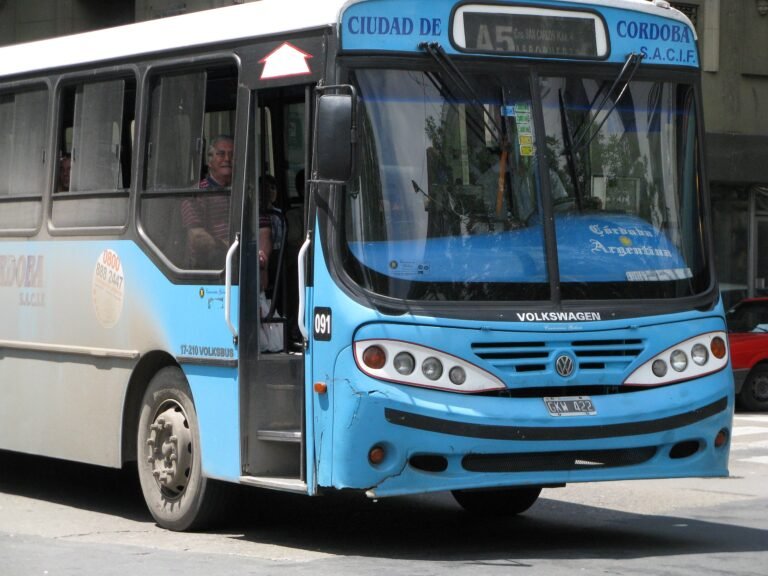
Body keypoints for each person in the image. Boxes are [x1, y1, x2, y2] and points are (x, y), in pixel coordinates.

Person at [181, 135, 234, 268]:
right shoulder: (196, 194)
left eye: (232, 154)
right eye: (221, 154)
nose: (227, 159)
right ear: (209, 161)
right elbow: (197, 238)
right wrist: (228, 245)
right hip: (208, 267)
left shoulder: (243, 191)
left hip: (239, 261)